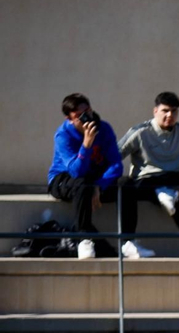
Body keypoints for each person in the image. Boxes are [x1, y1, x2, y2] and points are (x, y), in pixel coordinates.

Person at [117, 91, 179, 259]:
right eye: (165, 110)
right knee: (123, 183)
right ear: (155, 111)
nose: (169, 115)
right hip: (147, 181)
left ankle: (173, 193)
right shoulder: (140, 131)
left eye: (174, 111)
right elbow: (116, 154)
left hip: (173, 179)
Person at [46, 93, 122, 258]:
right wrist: (87, 143)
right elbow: (76, 171)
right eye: (80, 116)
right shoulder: (63, 135)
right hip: (63, 179)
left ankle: (129, 241)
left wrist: (99, 185)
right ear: (70, 119)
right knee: (82, 183)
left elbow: (116, 165)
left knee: (127, 186)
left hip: (94, 181)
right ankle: (84, 239)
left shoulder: (105, 129)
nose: (87, 118)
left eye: (88, 111)